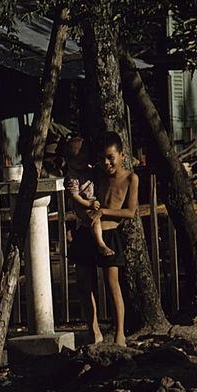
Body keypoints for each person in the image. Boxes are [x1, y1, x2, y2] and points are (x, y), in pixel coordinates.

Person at [69, 131, 138, 348]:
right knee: (83, 283)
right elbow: (77, 181)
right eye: (102, 158)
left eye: (111, 157)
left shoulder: (130, 178)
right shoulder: (95, 173)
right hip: (87, 231)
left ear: (122, 155)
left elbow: (129, 212)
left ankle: (120, 334)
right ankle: (94, 331)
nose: (106, 162)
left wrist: (104, 212)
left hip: (110, 233)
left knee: (112, 284)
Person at [62, 136, 114, 258]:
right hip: (83, 205)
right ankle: (101, 243)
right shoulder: (72, 178)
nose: (82, 165)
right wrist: (89, 204)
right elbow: (75, 196)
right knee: (95, 220)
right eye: (79, 163)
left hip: (92, 200)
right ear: (70, 162)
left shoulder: (88, 169)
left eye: (84, 161)